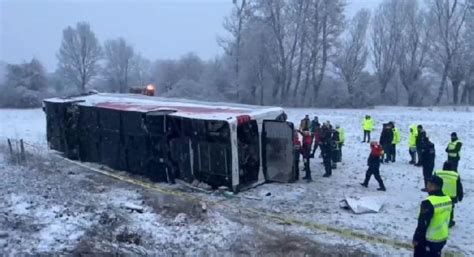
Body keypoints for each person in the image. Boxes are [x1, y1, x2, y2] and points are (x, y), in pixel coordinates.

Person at [413, 176, 453, 257]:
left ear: (432, 186)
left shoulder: (428, 203)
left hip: (429, 239)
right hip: (442, 236)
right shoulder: (448, 199)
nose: (426, 185)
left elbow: (423, 223)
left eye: (428, 184)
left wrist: (416, 238)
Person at [433, 161, 463, 228]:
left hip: (439, 194)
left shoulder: (437, 173)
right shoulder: (455, 175)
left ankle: (437, 219)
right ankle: (449, 221)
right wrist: (460, 196)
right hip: (451, 196)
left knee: (437, 207)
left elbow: (432, 183)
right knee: (450, 209)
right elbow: (459, 187)